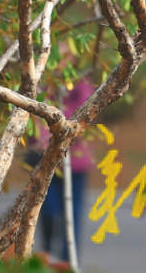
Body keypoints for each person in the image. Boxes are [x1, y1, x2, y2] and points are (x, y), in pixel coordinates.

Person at [24, 76, 94, 264]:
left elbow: (84, 119)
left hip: (75, 165)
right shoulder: (41, 84)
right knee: (47, 211)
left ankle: (68, 261)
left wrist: (64, 138)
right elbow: (35, 121)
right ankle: (46, 254)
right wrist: (47, 145)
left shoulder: (81, 86)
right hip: (45, 161)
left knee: (72, 215)